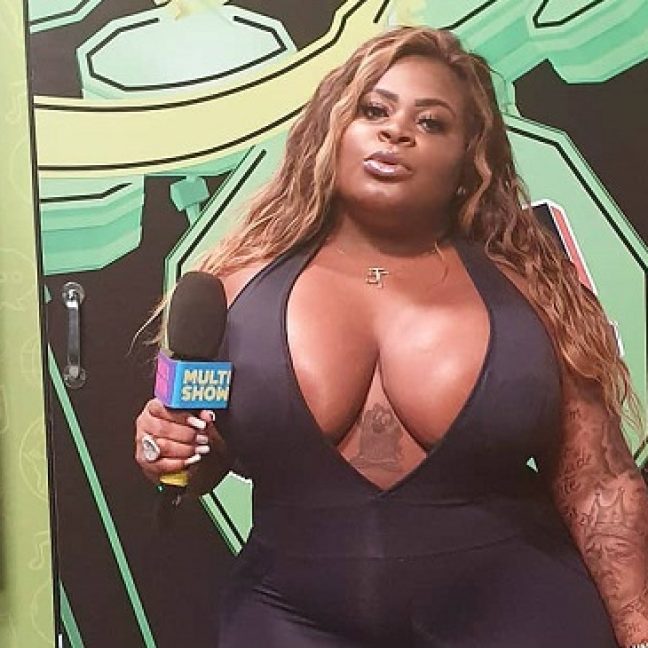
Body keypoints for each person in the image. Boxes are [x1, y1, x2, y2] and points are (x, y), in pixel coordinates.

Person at [134, 26, 648, 647]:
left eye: (431, 122)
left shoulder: (536, 291)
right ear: (332, 131)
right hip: (291, 617)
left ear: (469, 160)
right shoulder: (228, 289)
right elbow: (200, 458)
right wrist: (170, 449)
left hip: (515, 609)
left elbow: (599, 484)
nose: (396, 132)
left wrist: (639, 634)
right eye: (374, 111)